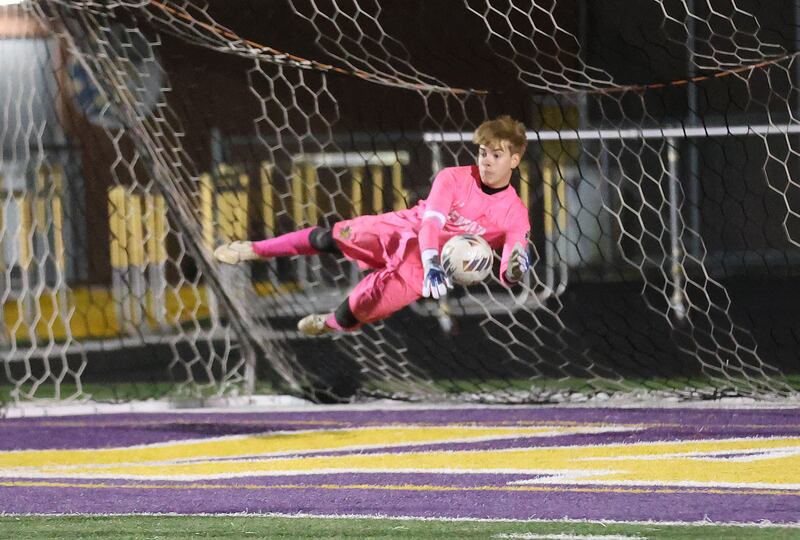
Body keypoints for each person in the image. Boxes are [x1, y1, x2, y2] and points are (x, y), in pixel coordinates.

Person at [214, 115, 531, 336]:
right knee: (332, 238)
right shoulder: (454, 177)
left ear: (514, 160)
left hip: (417, 270)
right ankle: (254, 250)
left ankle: (329, 323)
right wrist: (436, 261)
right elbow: (431, 224)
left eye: (496, 155)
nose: (486, 161)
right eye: (482, 152)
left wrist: (514, 270)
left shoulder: (515, 214)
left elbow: (508, 270)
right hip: (403, 230)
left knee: (359, 310)